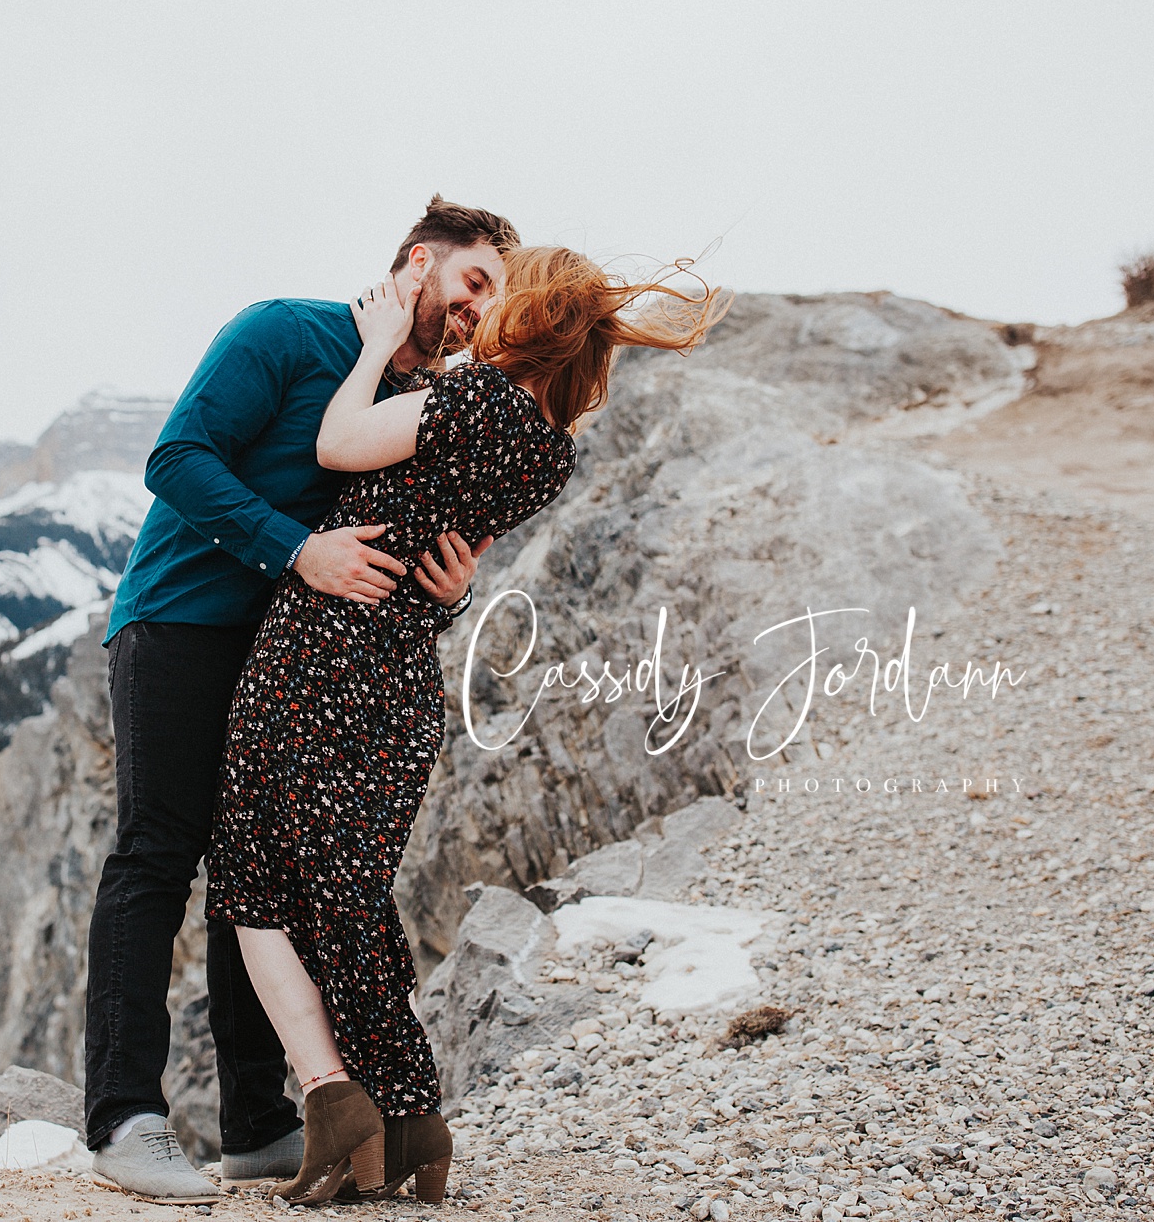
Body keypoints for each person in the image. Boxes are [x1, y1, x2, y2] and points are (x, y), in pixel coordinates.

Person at [206, 246, 728, 1204]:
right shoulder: (549, 453)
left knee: (253, 885)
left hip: (319, 651)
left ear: (525, 314)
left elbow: (336, 446)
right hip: (404, 678)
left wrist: (370, 349)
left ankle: (337, 1102)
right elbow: (451, 550)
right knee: (350, 892)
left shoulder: (470, 400)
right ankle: (410, 1115)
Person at [87, 197, 521, 1203]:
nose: (477, 312)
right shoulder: (284, 330)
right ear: (418, 261)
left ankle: (257, 1124)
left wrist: (442, 590)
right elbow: (175, 460)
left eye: (495, 300)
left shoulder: (423, 401)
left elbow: (385, 552)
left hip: (292, 658)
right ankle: (122, 1118)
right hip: (182, 623)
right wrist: (295, 548)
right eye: (472, 282)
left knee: (263, 866)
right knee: (158, 852)